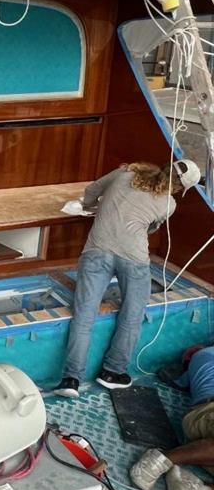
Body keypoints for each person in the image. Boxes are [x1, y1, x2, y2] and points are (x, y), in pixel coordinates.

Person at [54, 159, 201, 398]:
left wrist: (91, 207)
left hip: (96, 251)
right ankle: (112, 372)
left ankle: (71, 380)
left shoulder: (125, 172)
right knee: (132, 315)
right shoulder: (169, 203)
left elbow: (91, 191)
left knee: (84, 316)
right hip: (134, 259)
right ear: (179, 188)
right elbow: (150, 228)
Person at [130, 345, 214, 490]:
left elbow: (168, 376)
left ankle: (198, 488)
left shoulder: (198, 361)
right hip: (207, 412)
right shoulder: (206, 356)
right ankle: (161, 459)